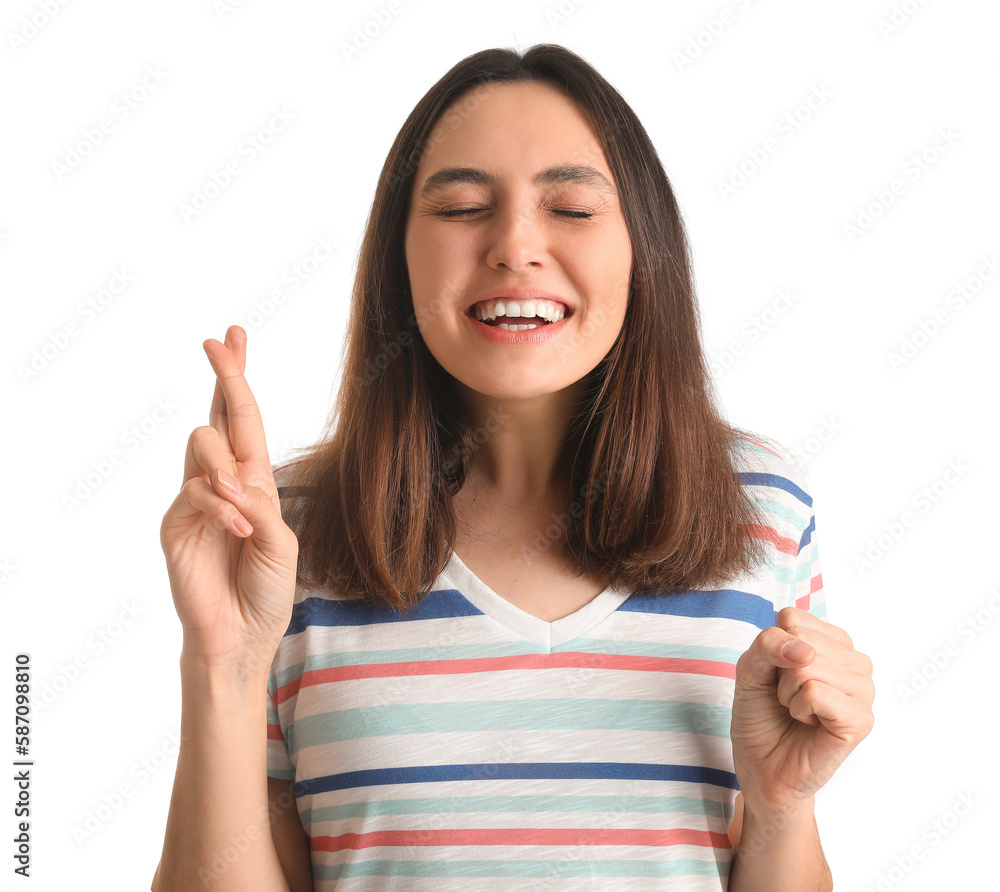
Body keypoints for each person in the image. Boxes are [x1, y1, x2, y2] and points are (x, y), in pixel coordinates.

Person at [151, 44, 874, 892]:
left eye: (570, 207)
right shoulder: (284, 530)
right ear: (399, 256)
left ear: (643, 250)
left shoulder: (763, 506)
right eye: (461, 207)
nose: (515, 246)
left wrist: (783, 808)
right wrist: (224, 663)